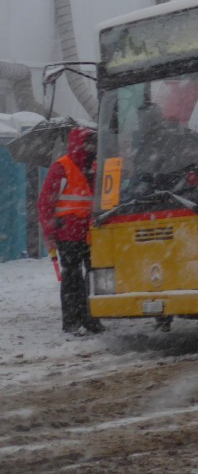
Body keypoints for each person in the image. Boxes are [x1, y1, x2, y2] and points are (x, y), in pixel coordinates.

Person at [37, 126, 105, 335]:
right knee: (72, 279)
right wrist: (49, 233)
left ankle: (89, 318)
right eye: (89, 142)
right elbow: (45, 203)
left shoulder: (95, 167)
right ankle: (72, 321)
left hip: (91, 233)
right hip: (69, 235)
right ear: (80, 143)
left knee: (92, 277)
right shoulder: (62, 167)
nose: (93, 147)